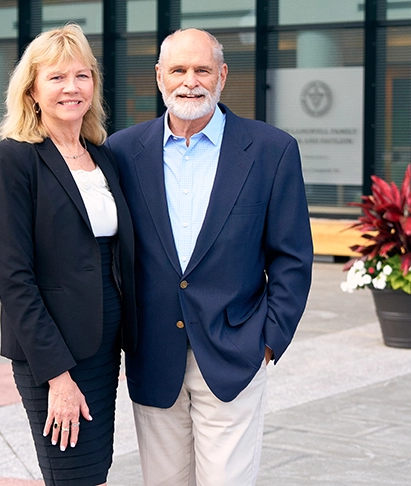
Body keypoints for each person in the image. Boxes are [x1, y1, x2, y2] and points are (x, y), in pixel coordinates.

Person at [105, 28, 313, 485]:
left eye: (201, 69)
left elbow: (292, 258)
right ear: (159, 76)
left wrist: (268, 341)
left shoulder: (271, 150)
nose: (189, 81)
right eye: (178, 70)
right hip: (153, 354)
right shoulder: (121, 152)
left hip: (236, 350)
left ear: (222, 75)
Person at [0, 23, 136, 486]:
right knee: (72, 476)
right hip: (53, 351)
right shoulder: (12, 160)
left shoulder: (104, 157)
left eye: (82, 75)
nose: (72, 87)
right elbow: (13, 278)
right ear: (31, 90)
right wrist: (57, 377)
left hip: (104, 343)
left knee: (95, 470)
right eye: (56, 77)